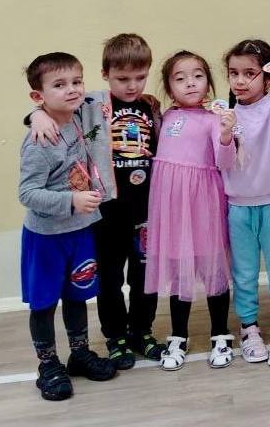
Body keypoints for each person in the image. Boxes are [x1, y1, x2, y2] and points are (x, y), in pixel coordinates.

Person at [28, 33, 166, 368]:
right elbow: (54, 106)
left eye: (140, 77)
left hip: (146, 210)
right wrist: (35, 115)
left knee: (144, 277)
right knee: (110, 279)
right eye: (122, 78)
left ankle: (142, 332)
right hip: (106, 212)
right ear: (105, 74)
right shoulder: (90, 104)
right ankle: (116, 336)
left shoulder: (150, 106)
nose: (132, 85)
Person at [19, 52, 118, 401]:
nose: (72, 89)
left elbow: (118, 91)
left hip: (80, 231)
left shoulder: (84, 112)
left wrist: (33, 112)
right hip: (47, 238)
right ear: (39, 95)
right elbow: (27, 193)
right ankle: (48, 365)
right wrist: (70, 201)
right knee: (44, 303)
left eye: (77, 81)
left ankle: (79, 354)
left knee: (77, 295)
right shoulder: (39, 140)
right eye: (59, 85)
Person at [144, 51, 234, 372]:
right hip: (172, 206)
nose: (190, 83)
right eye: (180, 78)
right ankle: (178, 335)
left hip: (204, 202)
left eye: (197, 76)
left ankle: (220, 333)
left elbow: (225, 162)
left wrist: (226, 135)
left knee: (213, 269)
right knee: (179, 271)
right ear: (169, 87)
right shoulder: (165, 116)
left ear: (208, 81)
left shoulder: (214, 117)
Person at [219, 39, 270, 367]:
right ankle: (248, 327)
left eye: (249, 73)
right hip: (238, 208)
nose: (239, 80)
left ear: (265, 77)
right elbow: (222, 160)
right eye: (233, 73)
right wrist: (225, 135)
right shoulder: (225, 115)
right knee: (244, 273)